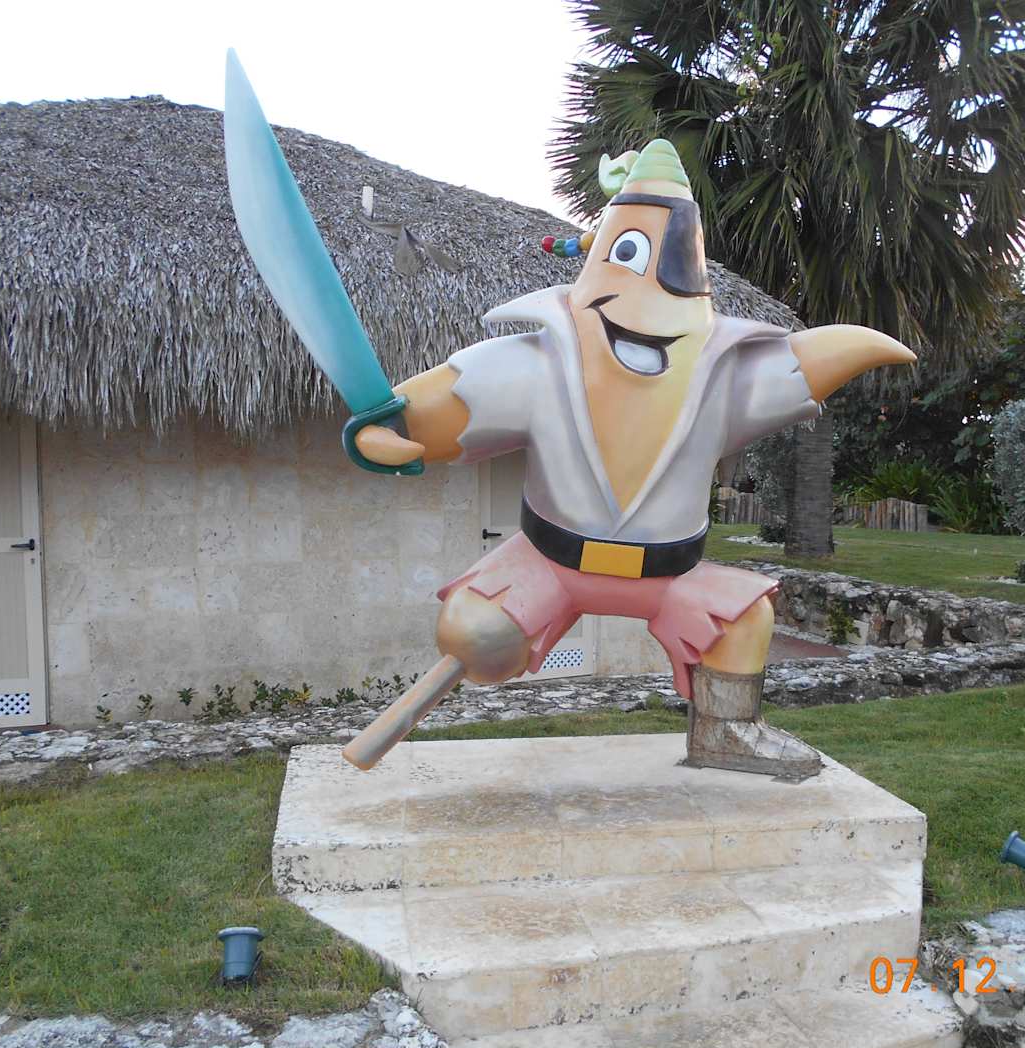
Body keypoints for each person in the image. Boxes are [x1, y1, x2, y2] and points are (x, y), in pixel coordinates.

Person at [351, 139, 914, 779]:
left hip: (667, 575)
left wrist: (858, 346)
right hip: (549, 562)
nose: (646, 300)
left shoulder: (723, 374)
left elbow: (804, 365)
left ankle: (728, 734)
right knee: (476, 635)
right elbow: (442, 403)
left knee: (741, 619)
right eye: (629, 257)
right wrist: (390, 427)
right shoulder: (539, 361)